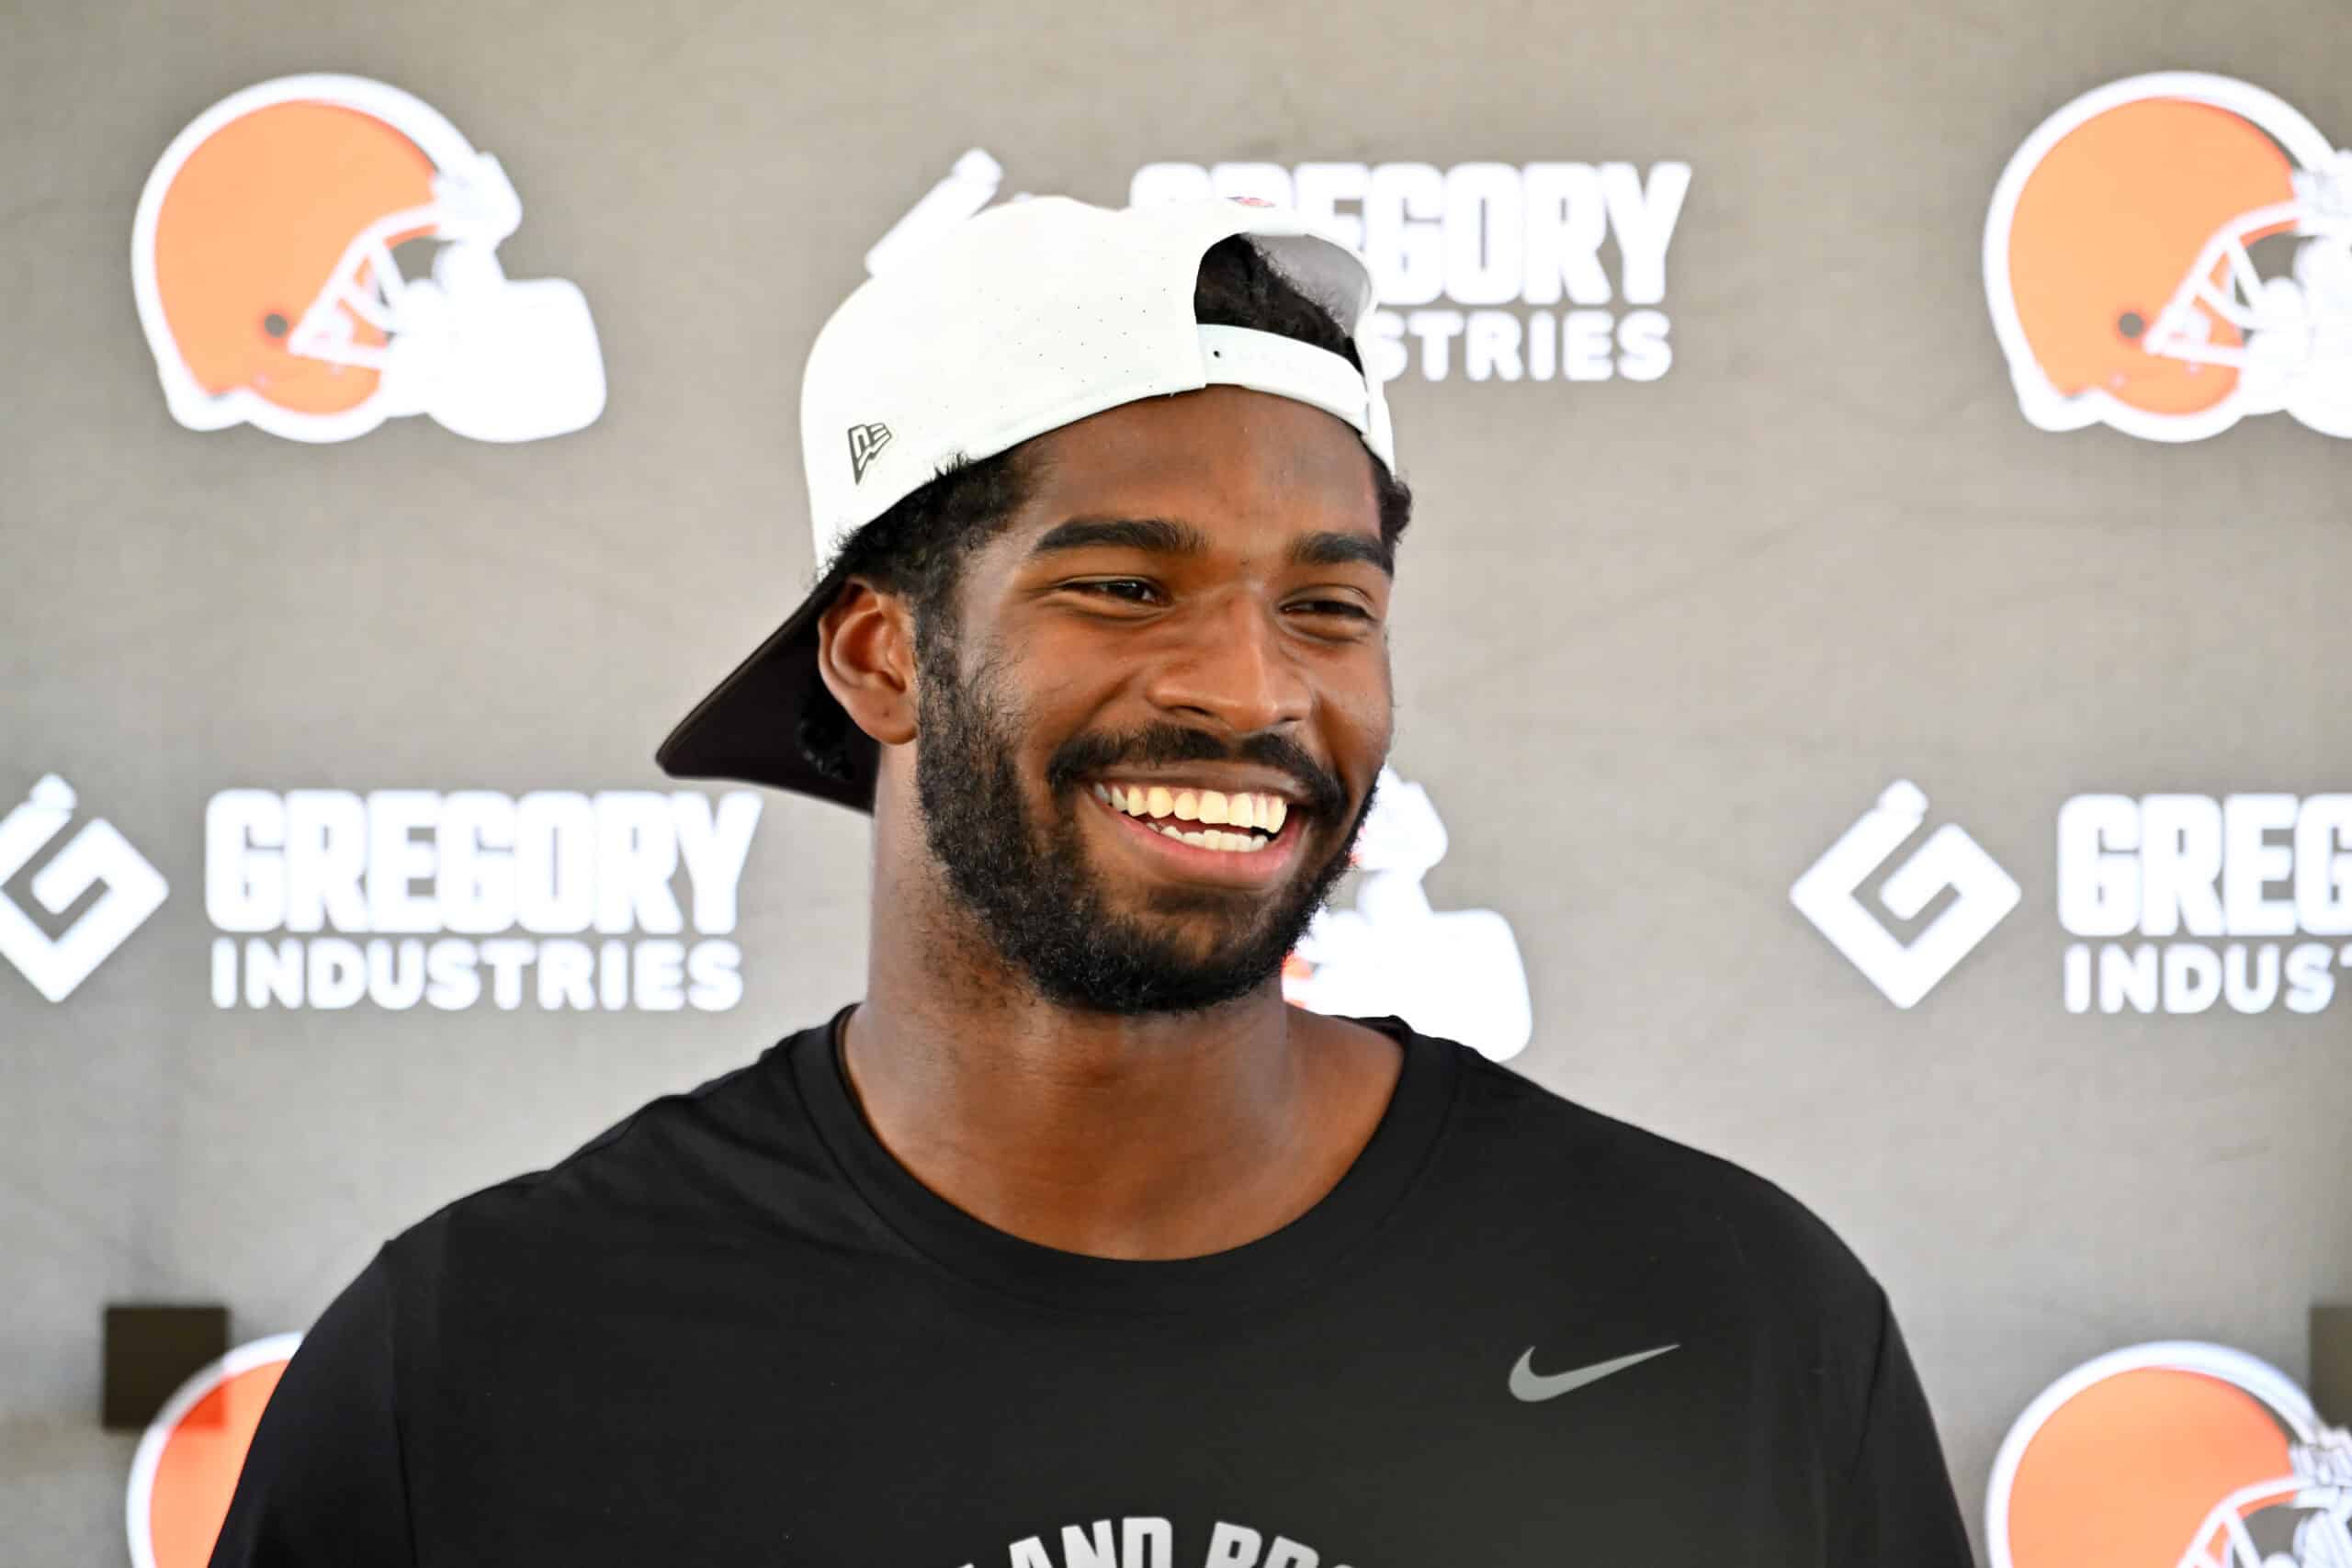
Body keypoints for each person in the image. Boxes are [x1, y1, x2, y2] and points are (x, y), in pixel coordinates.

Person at [209, 196, 1973, 1566]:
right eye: (1127, 587)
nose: (1253, 690)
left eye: (1328, 607)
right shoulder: (489, 1356)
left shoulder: (1728, 1316)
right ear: (882, 657)